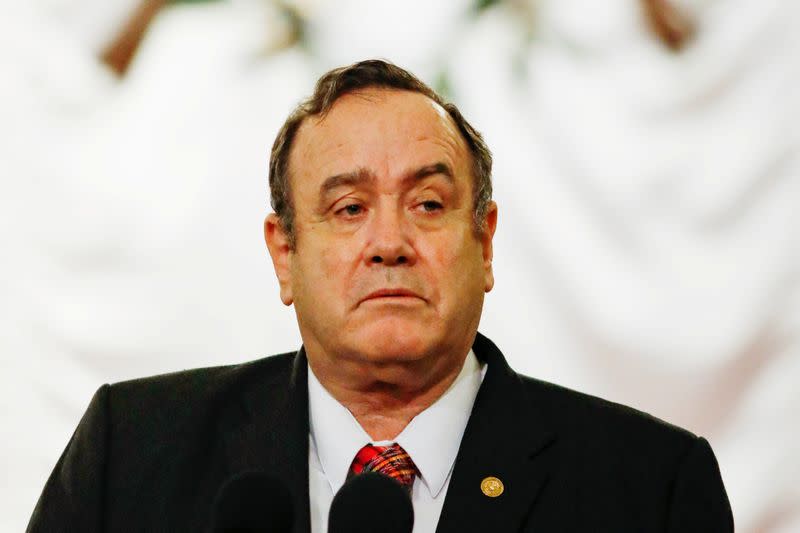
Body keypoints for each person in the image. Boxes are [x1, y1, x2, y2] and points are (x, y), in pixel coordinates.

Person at [27, 59, 733, 532]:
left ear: (484, 242)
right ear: (284, 253)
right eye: (347, 208)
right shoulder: (132, 455)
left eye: (428, 204)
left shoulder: (649, 488)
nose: (389, 241)